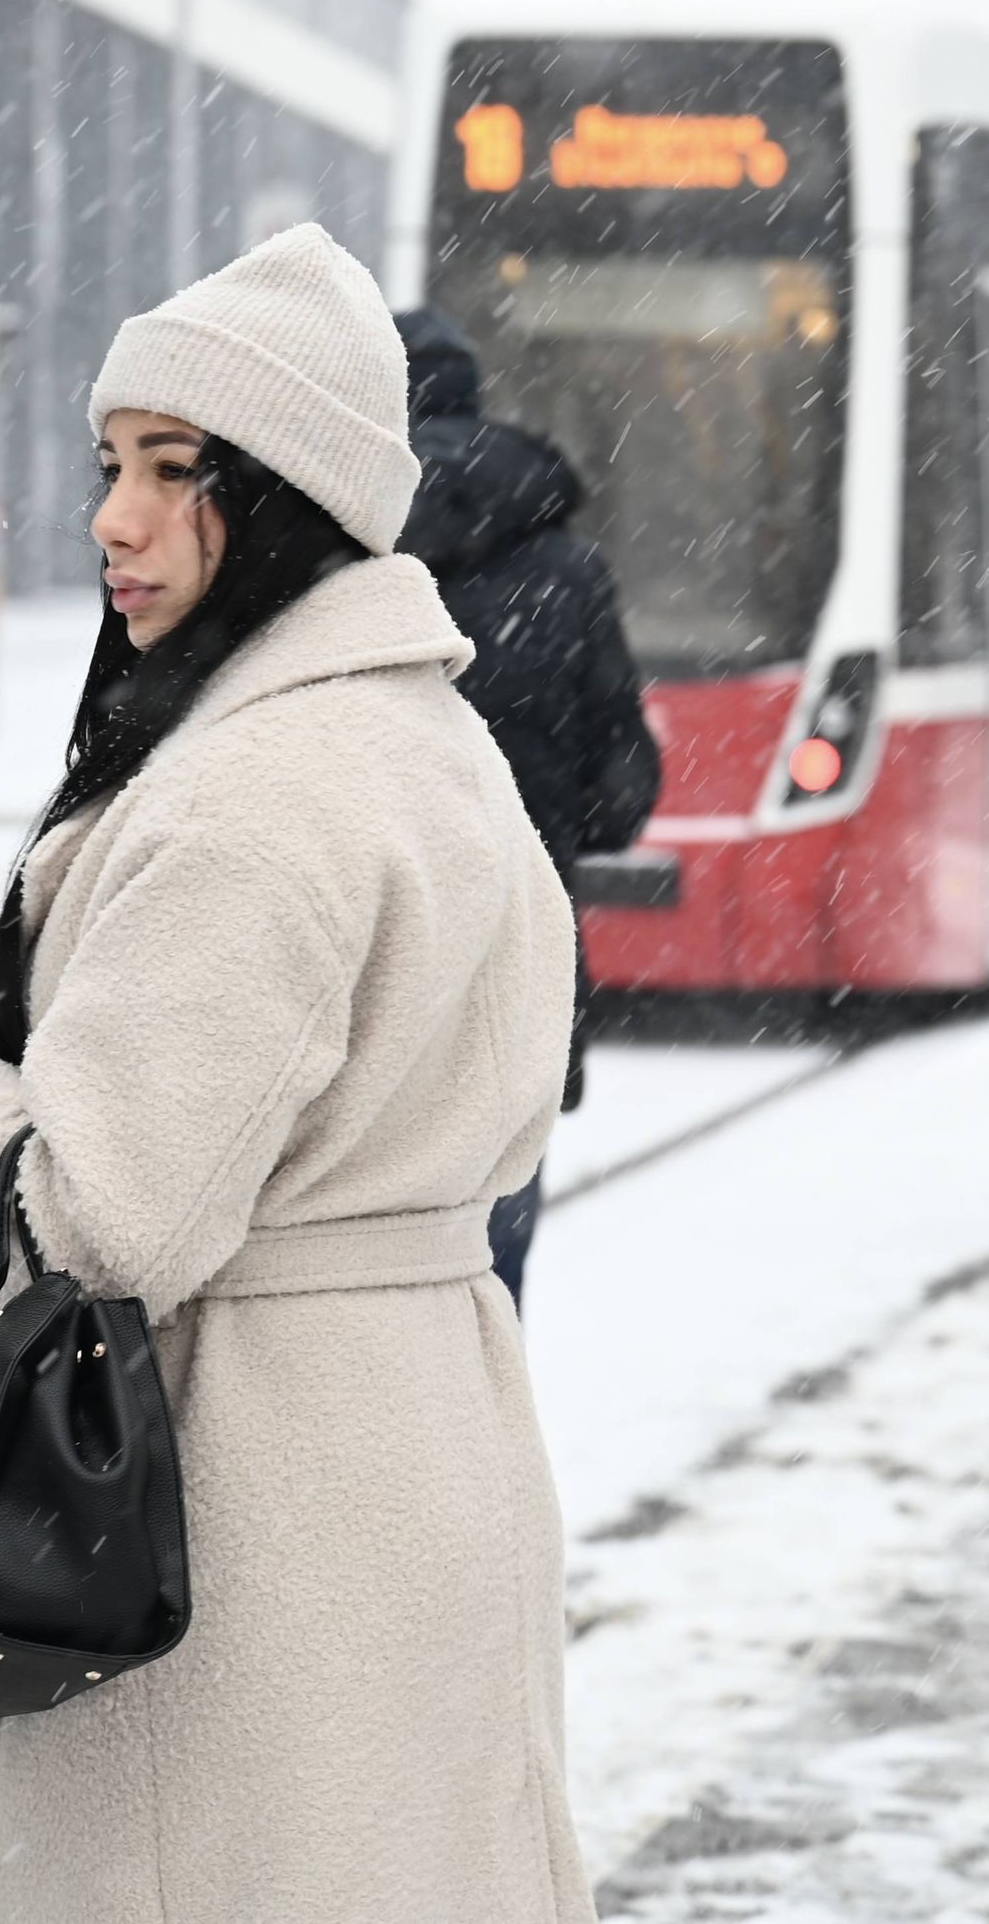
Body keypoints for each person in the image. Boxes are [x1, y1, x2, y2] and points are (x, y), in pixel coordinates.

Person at [0, 226, 593, 1923]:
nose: (115, 515)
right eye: (111, 462)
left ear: (295, 496)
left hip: (245, 1523)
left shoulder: (258, 795)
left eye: (177, 471)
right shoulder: (427, 742)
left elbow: (103, 1221)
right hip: (410, 1453)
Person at [395, 309, 661, 1306]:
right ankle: (480, 1430)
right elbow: (625, 784)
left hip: (371, 948)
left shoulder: (335, 549)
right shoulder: (565, 565)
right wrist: (546, 814)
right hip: (517, 944)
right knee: (492, 1257)